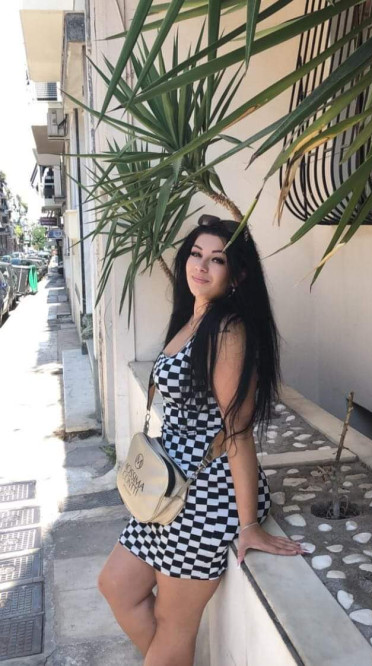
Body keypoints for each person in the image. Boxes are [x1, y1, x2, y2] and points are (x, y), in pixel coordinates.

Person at [98, 214, 308, 665]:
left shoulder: (227, 330)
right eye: (196, 254)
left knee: (173, 625)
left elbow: (237, 431)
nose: (201, 265)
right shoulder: (193, 317)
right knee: (116, 585)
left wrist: (248, 526)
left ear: (237, 275)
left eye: (217, 259)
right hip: (167, 487)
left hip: (205, 494)